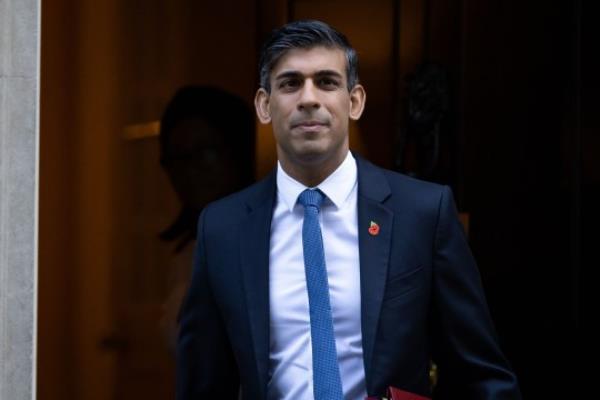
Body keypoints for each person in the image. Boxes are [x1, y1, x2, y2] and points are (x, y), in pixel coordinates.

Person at [177, 20, 521, 400]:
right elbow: (202, 384)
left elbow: (481, 375)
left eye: (326, 82)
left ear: (355, 101)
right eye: (290, 83)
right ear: (264, 105)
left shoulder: (422, 212)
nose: (309, 98)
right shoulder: (223, 228)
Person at [158, 85, 254, 354]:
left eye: (205, 152)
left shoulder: (271, 244)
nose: (190, 170)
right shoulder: (188, 252)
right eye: (178, 158)